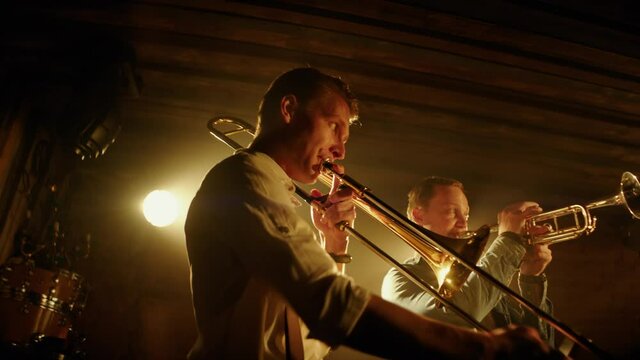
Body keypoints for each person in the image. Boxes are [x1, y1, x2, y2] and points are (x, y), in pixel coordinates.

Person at [185, 67, 562, 359]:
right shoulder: (244, 178)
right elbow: (328, 302)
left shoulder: (271, 191)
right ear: (289, 110)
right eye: (334, 128)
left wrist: (334, 245)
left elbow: (314, 345)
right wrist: (481, 349)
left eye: (344, 139)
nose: (339, 152)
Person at [381, 176, 555, 345]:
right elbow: (455, 315)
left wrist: (531, 277)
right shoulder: (399, 277)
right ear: (419, 216)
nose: (463, 224)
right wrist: (509, 241)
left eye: (466, 215)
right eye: (451, 211)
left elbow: (534, 348)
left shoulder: (478, 274)